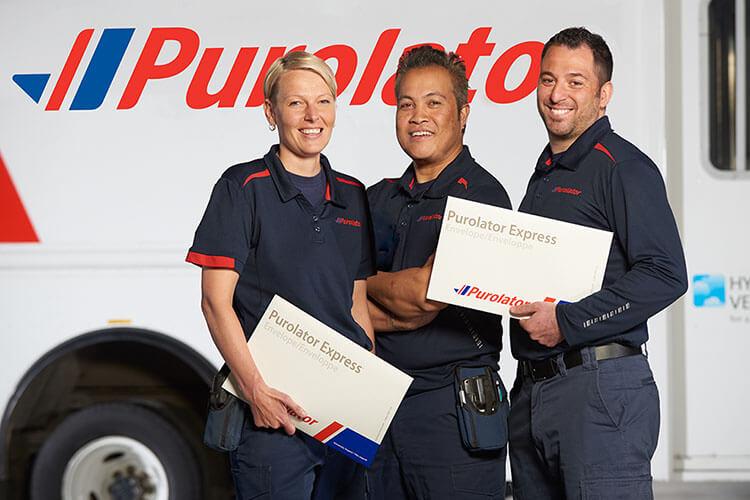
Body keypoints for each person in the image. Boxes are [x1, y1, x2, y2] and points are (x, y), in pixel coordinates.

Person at [507, 27, 688, 499]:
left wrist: (566, 322)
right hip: (533, 392)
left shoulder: (623, 167)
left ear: (603, 94)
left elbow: (666, 275)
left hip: (599, 390)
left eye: (575, 81)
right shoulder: (548, 170)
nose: (557, 94)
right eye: (548, 80)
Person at [186, 51, 375, 500]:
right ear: (271, 112)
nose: (313, 116)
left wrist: (368, 397)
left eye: (324, 101)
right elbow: (216, 302)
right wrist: (256, 392)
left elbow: (357, 305)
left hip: (341, 416)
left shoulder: (353, 195)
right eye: (296, 104)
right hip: (273, 417)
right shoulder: (242, 187)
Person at [365, 45, 512, 499]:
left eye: (434, 102)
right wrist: (362, 298)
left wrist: (362, 287)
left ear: (463, 113)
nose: (417, 116)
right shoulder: (375, 200)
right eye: (405, 103)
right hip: (375, 403)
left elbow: (424, 298)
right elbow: (332, 299)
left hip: (452, 408)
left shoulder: (483, 198)